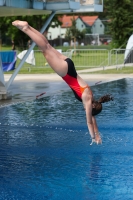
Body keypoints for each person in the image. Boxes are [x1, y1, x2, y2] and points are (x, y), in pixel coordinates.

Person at [12, 20, 113, 145]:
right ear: (92, 107)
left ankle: (29, 27)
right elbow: (89, 122)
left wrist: (98, 134)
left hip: (70, 65)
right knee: (44, 49)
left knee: (47, 46)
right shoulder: (87, 100)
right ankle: (26, 28)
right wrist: (92, 137)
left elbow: (93, 119)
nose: (86, 111)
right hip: (65, 72)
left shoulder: (91, 98)